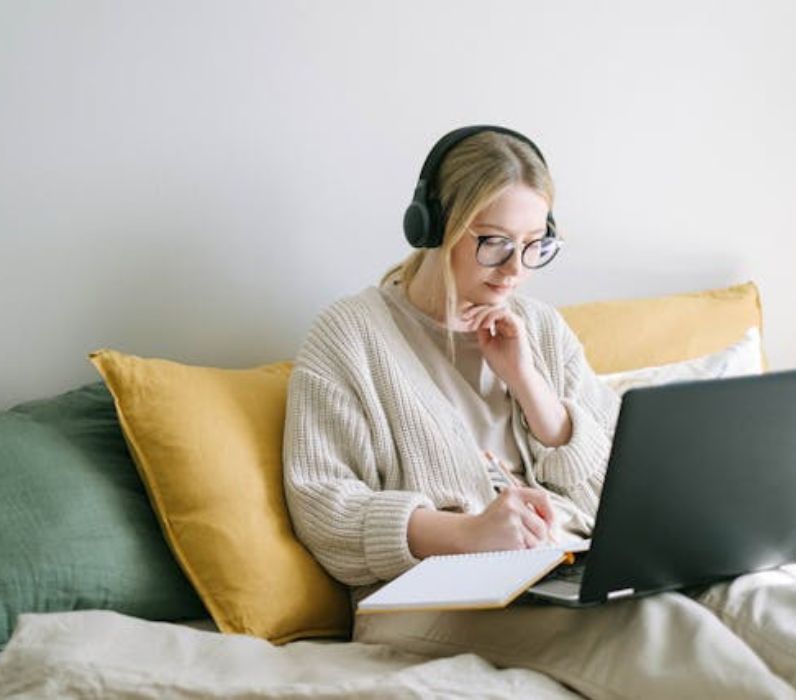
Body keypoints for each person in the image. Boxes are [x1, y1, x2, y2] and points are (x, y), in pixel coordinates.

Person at [282, 126, 796, 699]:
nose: (514, 271)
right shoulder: (349, 336)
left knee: (760, 600)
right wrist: (468, 533)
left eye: (534, 246)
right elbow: (323, 507)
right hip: (426, 597)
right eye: (495, 242)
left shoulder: (540, 329)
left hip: (573, 565)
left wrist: (532, 388)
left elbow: (619, 494)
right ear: (432, 226)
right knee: (661, 634)